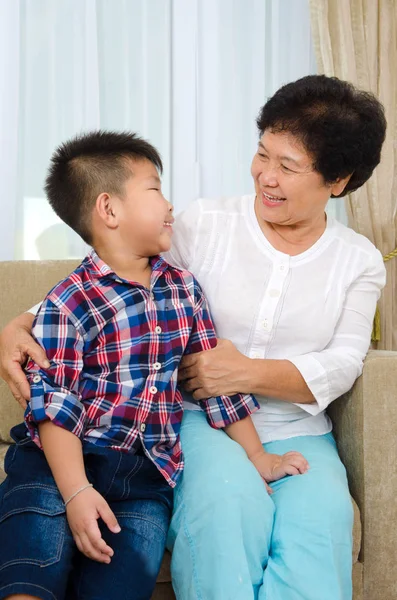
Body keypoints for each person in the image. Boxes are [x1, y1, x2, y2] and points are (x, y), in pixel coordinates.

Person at [0, 74, 387, 600]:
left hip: (299, 428)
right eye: (262, 153)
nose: (265, 176)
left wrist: (245, 373)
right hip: (200, 418)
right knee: (226, 505)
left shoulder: (358, 260)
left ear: (338, 181)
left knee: (322, 523)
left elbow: (345, 360)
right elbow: (113, 274)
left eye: (288, 166)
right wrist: (20, 323)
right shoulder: (206, 223)